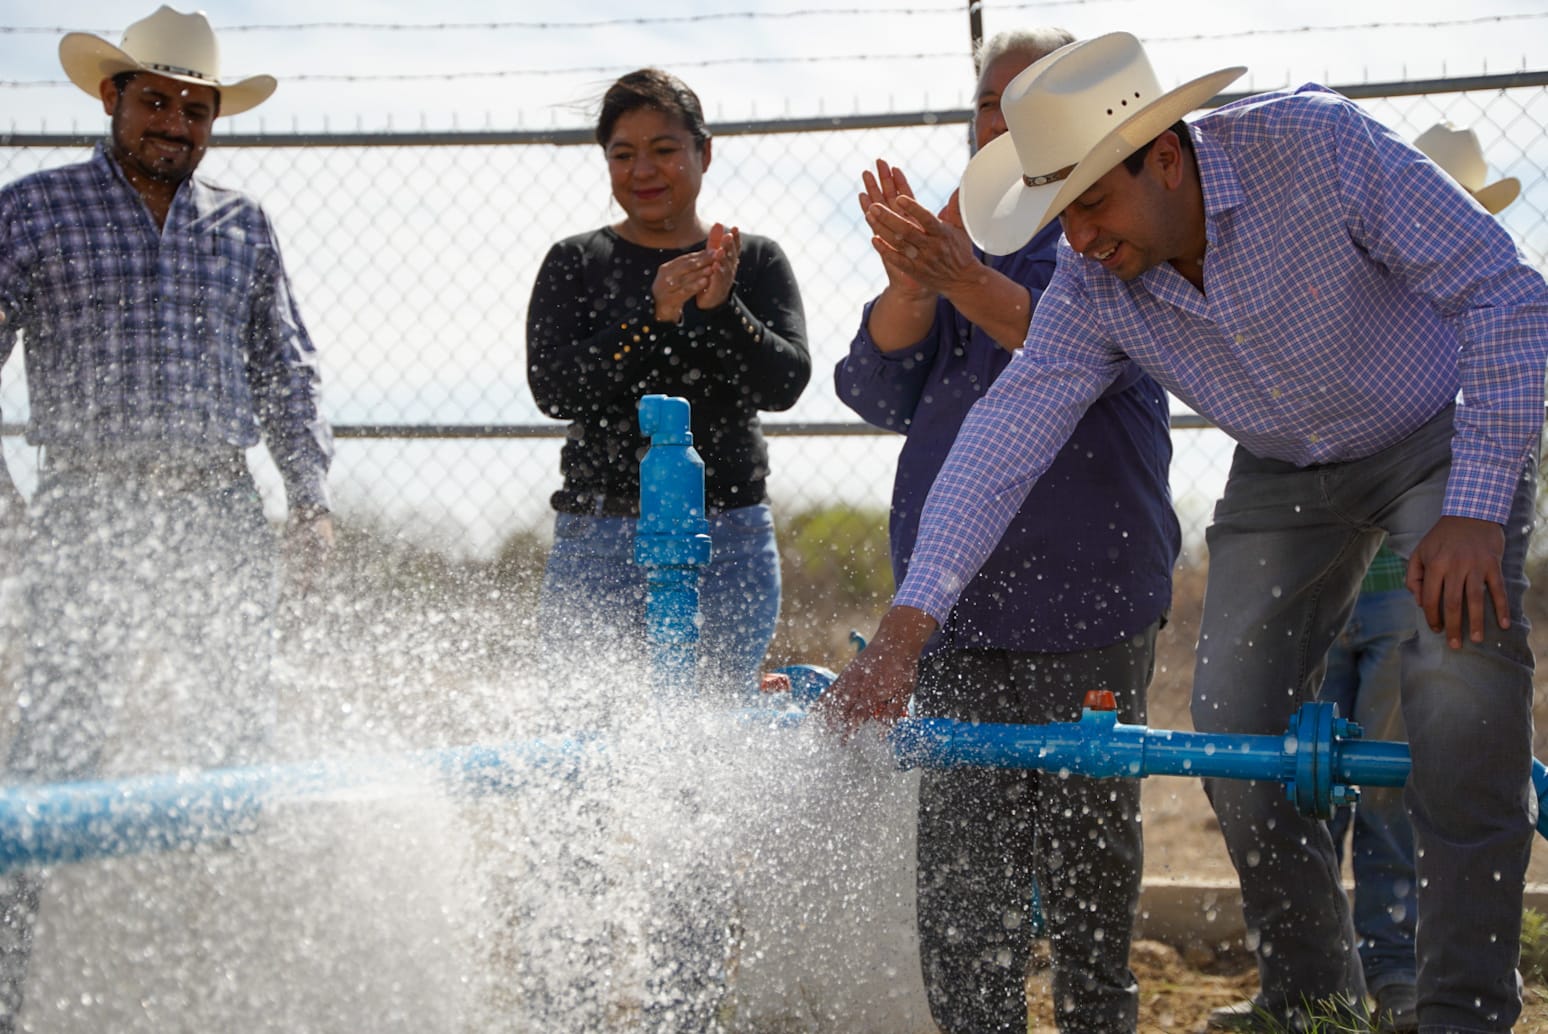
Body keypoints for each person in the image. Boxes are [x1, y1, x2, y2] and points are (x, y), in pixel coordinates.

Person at [818, 30, 1548, 1034]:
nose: (1077, 240)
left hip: (1433, 440)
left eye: (1091, 203)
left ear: (1164, 155)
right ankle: (1314, 997)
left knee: (1457, 685)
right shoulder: (1093, 281)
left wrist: (1473, 505)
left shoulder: (1319, 148)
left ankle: (1463, 1009)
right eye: (1059, 214)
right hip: (1283, 469)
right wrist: (903, 632)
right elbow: (1001, 441)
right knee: (1234, 725)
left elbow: (1505, 288)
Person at [834, 25, 1179, 1033]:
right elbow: (875, 382)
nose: (1007, 114)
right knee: (962, 888)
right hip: (953, 613)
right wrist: (912, 278)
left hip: (1091, 597)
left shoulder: (1121, 219)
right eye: (992, 98)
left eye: (1031, 94)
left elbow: (1074, 340)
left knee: (1087, 878)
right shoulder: (966, 230)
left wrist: (956, 275)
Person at [0, 6, 333, 1030]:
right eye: (157, 102)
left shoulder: (244, 224)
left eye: (197, 111)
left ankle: (215, 985)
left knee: (236, 743)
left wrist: (310, 499)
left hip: (218, 507)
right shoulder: (31, 211)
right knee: (54, 751)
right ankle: (10, 989)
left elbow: (287, 366)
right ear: (113, 98)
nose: (176, 127)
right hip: (85, 507)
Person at [1311, 122, 1523, 1034]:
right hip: (1341, 577)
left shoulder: (1478, 329)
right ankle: (1325, 981)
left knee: (1398, 783)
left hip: (1411, 589)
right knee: (1308, 775)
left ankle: (1398, 975)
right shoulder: (1364, 312)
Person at [526, 67, 810, 698]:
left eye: (664, 150)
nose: (643, 170)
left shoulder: (753, 260)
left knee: (716, 734)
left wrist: (722, 308)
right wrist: (649, 317)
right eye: (623, 154)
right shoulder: (576, 261)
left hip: (727, 534)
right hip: (600, 537)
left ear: (703, 152)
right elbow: (553, 389)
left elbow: (785, 383)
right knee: (589, 730)